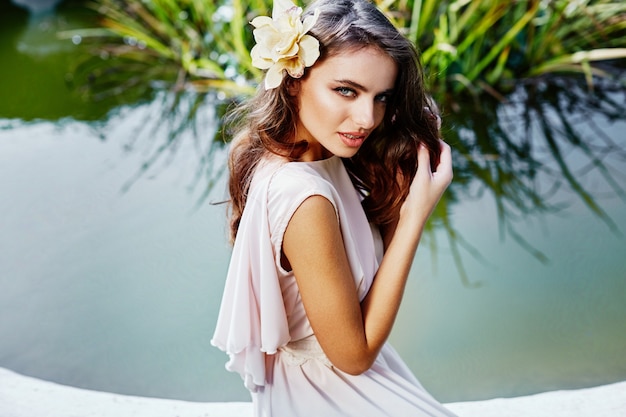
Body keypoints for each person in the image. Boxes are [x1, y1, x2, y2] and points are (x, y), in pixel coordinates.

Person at [211, 0, 457, 415]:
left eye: (382, 97)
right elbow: (353, 356)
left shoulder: (316, 160)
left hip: (350, 387)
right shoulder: (305, 197)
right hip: (330, 395)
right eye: (346, 90)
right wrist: (415, 216)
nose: (366, 118)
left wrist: (406, 188)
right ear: (293, 81)